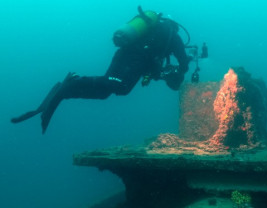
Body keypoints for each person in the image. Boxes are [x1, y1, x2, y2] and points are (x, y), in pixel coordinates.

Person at [11, 7, 191, 134]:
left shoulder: (155, 34)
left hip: (123, 55)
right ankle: (74, 82)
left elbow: (153, 66)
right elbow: (182, 62)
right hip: (134, 59)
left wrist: (161, 72)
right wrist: (181, 69)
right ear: (175, 28)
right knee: (119, 86)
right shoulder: (171, 36)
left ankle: (67, 90)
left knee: (108, 91)